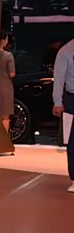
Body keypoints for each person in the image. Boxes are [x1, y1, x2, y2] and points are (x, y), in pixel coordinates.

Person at [52, 37, 74, 192]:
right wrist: (57, 102)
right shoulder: (66, 51)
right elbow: (59, 78)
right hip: (72, 99)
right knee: (72, 140)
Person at [0, 31, 16, 132]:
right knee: (5, 116)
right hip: (5, 88)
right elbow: (12, 73)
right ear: (3, 40)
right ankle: (3, 138)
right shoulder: (8, 55)